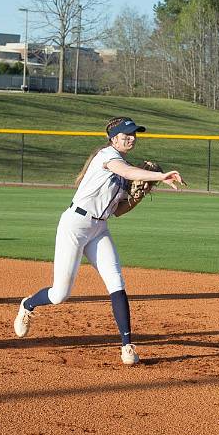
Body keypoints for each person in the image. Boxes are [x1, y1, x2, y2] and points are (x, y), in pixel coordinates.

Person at [13, 117, 186, 365]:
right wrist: (159, 175)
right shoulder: (107, 156)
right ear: (114, 138)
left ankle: (127, 346)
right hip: (75, 225)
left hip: (99, 227)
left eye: (134, 134)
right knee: (60, 294)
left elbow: (118, 211)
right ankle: (28, 304)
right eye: (127, 134)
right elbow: (125, 171)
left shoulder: (123, 167)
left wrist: (139, 195)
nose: (132, 138)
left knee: (116, 281)